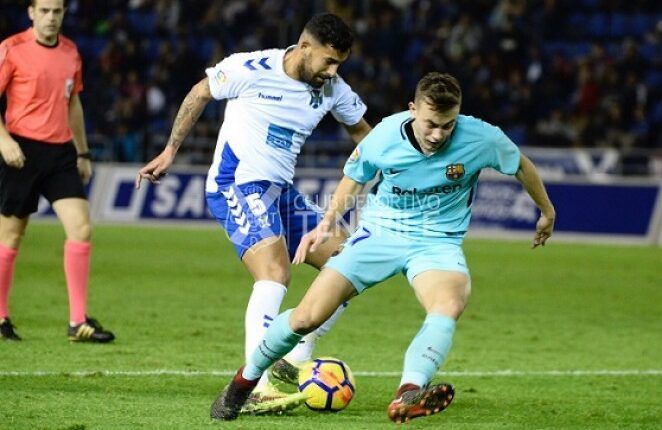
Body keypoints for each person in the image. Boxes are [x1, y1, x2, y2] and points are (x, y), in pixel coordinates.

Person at [210, 72, 556, 422]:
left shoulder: (482, 137)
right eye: (431, 124)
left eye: (448, 126)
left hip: (436, 243)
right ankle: (242, 384)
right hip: (378, 236)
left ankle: (409, 393)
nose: (439, 134)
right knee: (305, 317)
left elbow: (522, 167)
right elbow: (354, 181)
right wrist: (326, 225)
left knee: (448, 304)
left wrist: (546, 210)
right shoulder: (385, 136)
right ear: (412, 110)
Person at [135, 13, 371, 413]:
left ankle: (291, 361)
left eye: (340, 65)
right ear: (304, 46)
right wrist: (171, 149)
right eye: (329, 62)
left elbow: (365, 134)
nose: (333, 71)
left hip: (281, 191)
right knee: (275, 273)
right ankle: (257, 384)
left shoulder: (333, 88)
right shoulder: (251, 68)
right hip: (236, 184)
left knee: (351, 265)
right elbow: (199, 92)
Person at [0, 0, 114, 343]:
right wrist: (3, 141)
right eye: (45, 11)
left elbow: (73, 102)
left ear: (64, 14)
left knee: (81, 228)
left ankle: (77, 321)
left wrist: (82, 152)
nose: (51, 18)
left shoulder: (70, 52)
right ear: (32, 13)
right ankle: (0, 315)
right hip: (20, 150)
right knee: (11, 237)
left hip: (61, 152)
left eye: (57, 11)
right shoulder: (11, 49)